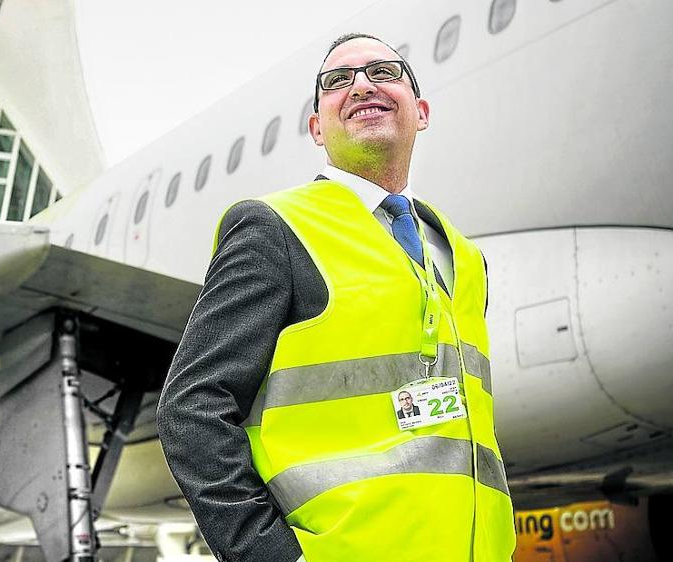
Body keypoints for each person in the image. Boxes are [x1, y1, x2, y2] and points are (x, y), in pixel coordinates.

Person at [157, 34, 516, 562]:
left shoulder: (464, 258)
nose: (362, 85)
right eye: (337, 81)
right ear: (317, 129)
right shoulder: (274, 229)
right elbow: (191, 409)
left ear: (420, 112)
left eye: (384, 72)